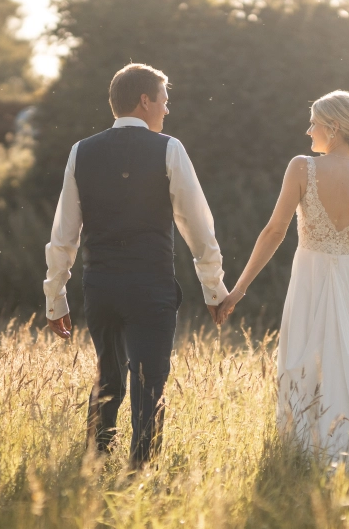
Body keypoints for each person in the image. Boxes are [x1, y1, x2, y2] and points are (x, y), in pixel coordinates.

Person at [43, 63, 227, 468]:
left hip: (101, 288)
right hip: (151, 288)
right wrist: (214, 289)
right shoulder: (169, 149)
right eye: (163, 99)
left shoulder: (81, 151)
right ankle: (140, 472)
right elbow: (198, 226)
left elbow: (64, 234)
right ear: (145, 100)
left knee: (108, 378)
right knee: (149, 385)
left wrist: (55, 299)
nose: (166, 108)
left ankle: (96, 464)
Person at [218, 90, 349, 464]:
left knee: (303, 363)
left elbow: (274, 231)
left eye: (314, 123)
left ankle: (306, 453)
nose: (308, 131)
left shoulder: (302, 168)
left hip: (312, 277)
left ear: (333, 128)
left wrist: (238, 289)